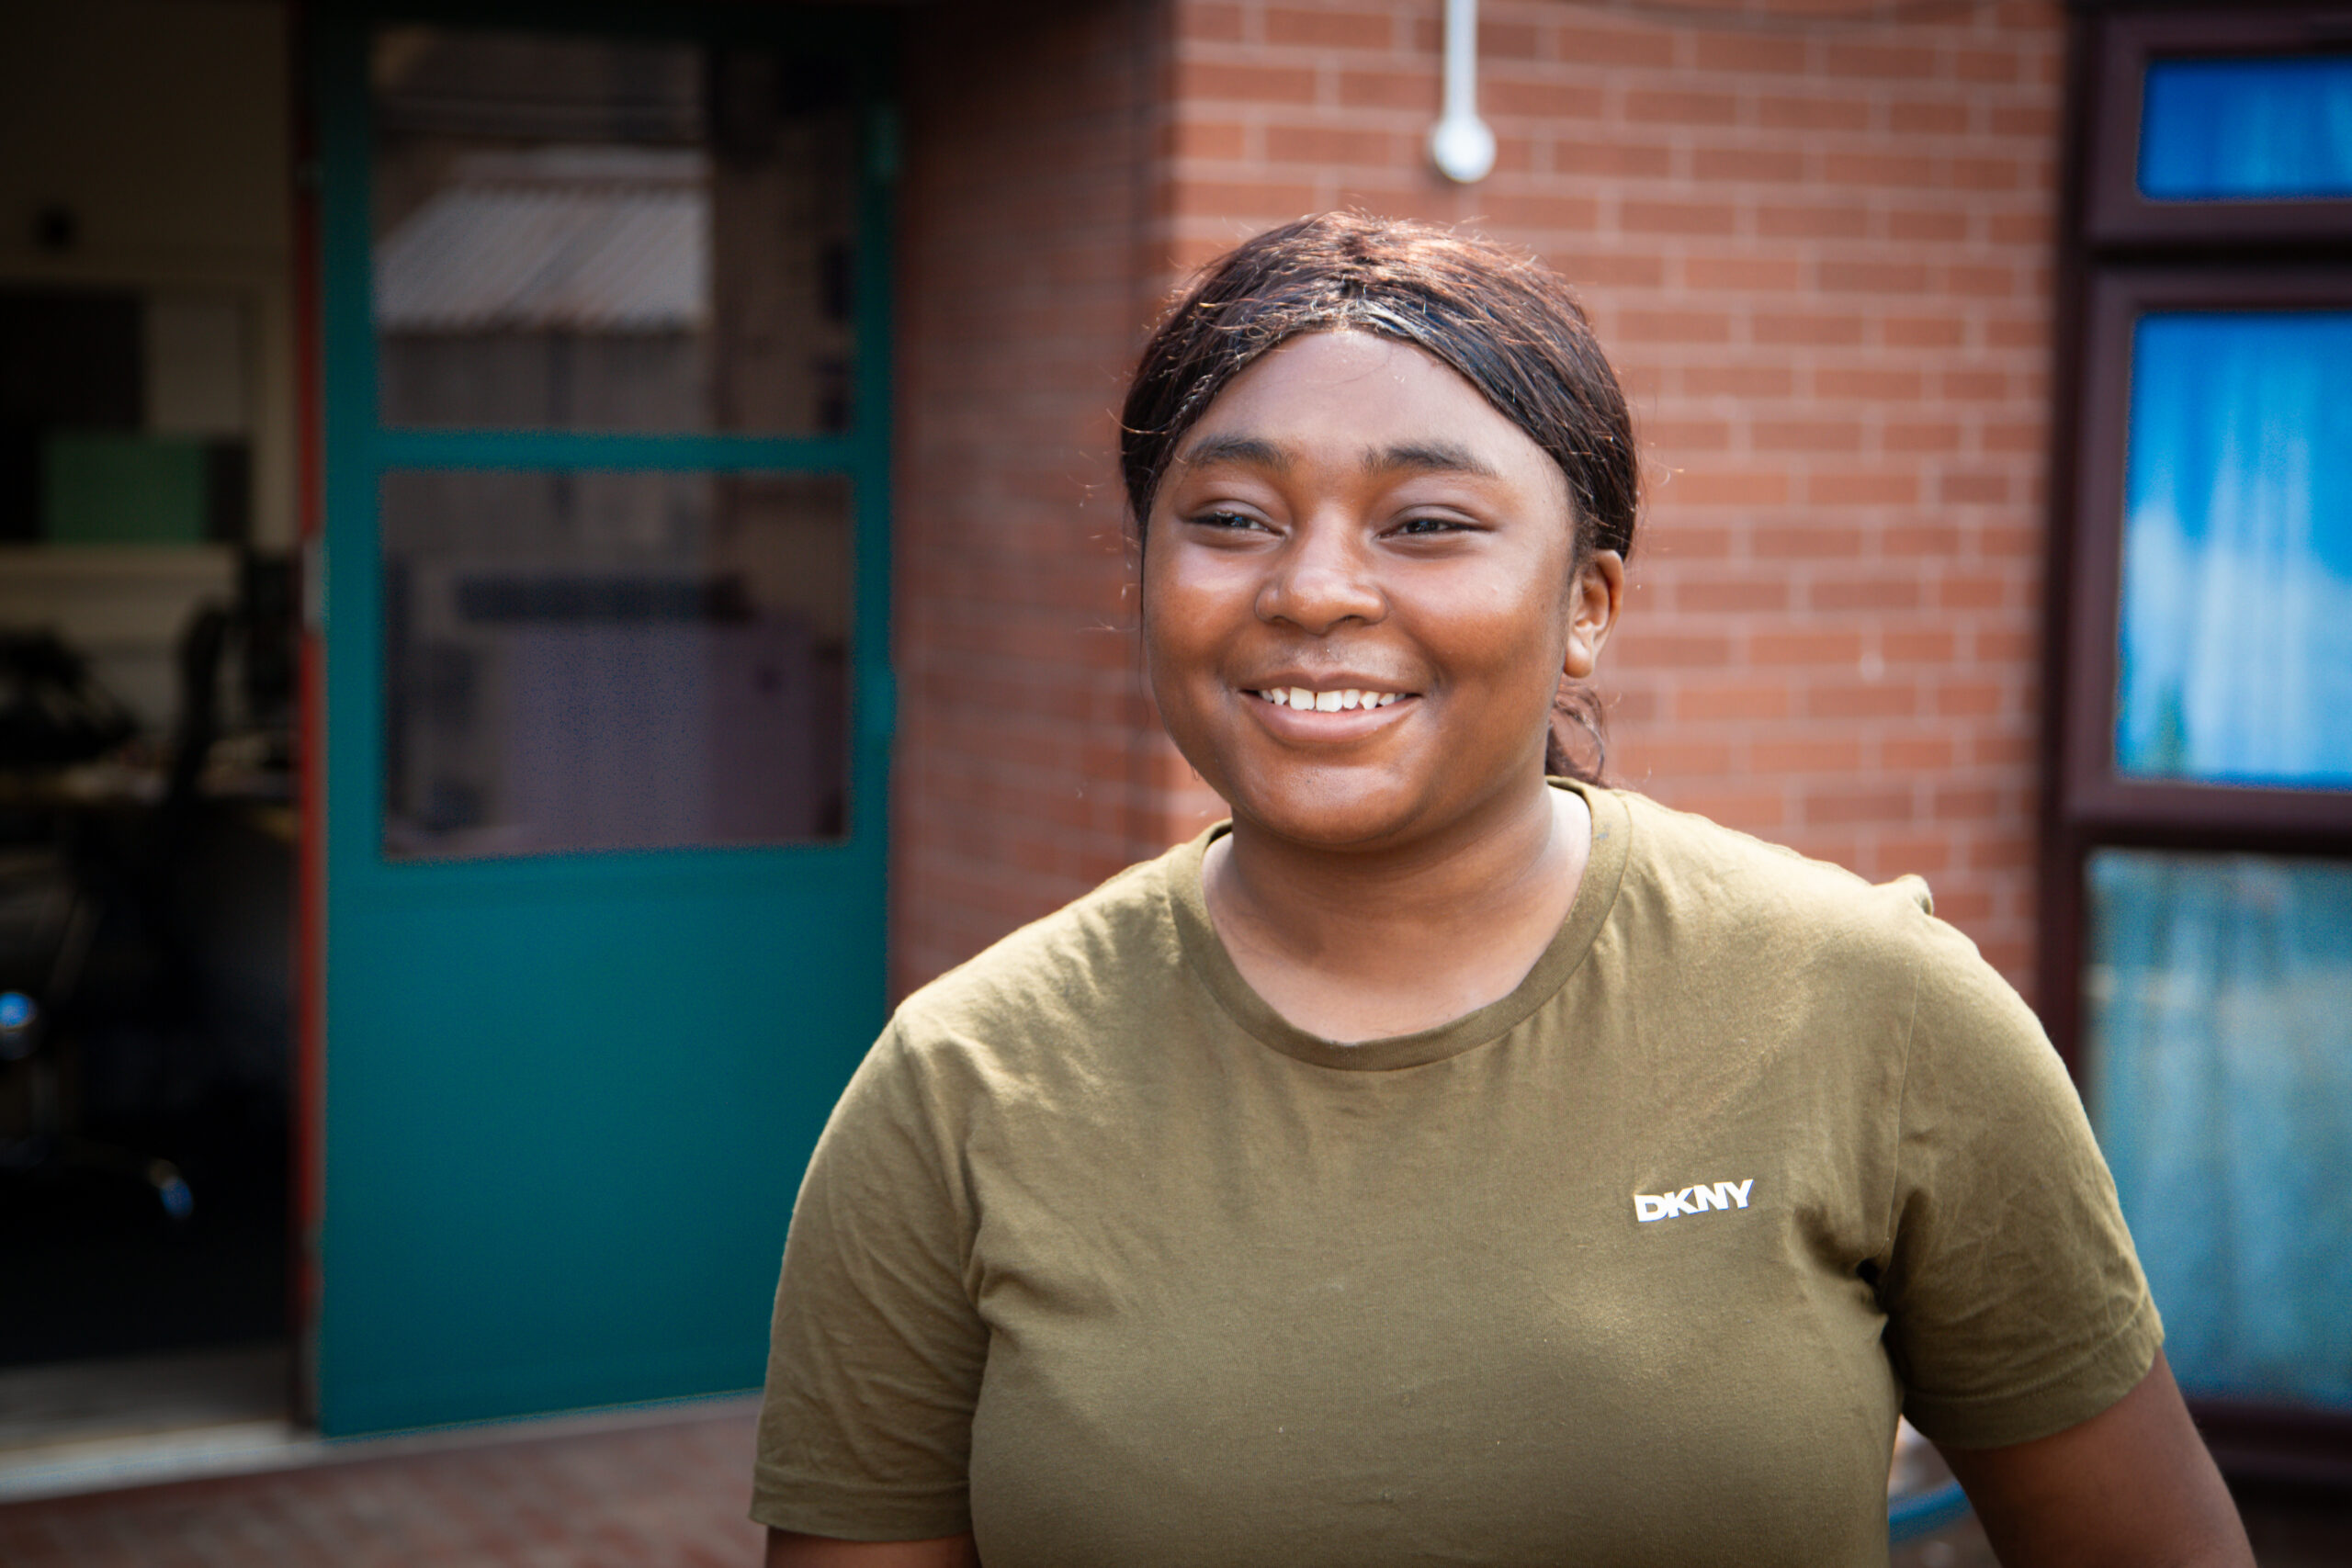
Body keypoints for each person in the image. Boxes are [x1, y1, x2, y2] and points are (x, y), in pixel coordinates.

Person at [751, 214, 2253, 1567]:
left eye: (1427, 523)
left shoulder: (1875, 1010)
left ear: (1586, 606)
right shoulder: (959, 1088)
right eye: (1231, 518)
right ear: (1147, 574)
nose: (1315, 588)